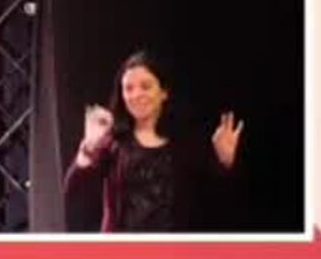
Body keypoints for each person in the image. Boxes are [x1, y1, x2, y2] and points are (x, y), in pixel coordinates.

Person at [64, 49, 244, 233]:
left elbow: (215, 203)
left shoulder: (184, 144)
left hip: (172, 249)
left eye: (145, 86)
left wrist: (224, 161)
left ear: (164, 92)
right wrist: (88, 149)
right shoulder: (112, 142)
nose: (136, 95)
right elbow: (75, 193)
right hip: (121, 250)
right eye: (128, 88)